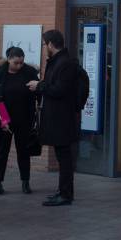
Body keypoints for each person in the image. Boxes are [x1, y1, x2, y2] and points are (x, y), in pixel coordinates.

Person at [27, 30, 79, 206]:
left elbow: (60, 90)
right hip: (57, 117)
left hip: (61, 118)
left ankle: (65, 194)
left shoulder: (65, 63)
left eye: (44, 45)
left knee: (64, 157)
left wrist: (39, 86)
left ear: (50, 44)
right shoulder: (58, 62)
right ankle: (62, 191)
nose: (44, 48)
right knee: (61, 156)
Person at [0, 46, 39, 195]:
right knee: (2, 151)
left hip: (24, 118)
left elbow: (39, 90)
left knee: (24, 150)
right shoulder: (0, 72)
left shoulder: (29, 71)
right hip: (4, 118)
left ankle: (25, 181)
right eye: (16, 62)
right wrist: (3, 119)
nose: (19, 65)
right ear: (9, 60)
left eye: (21, 62)